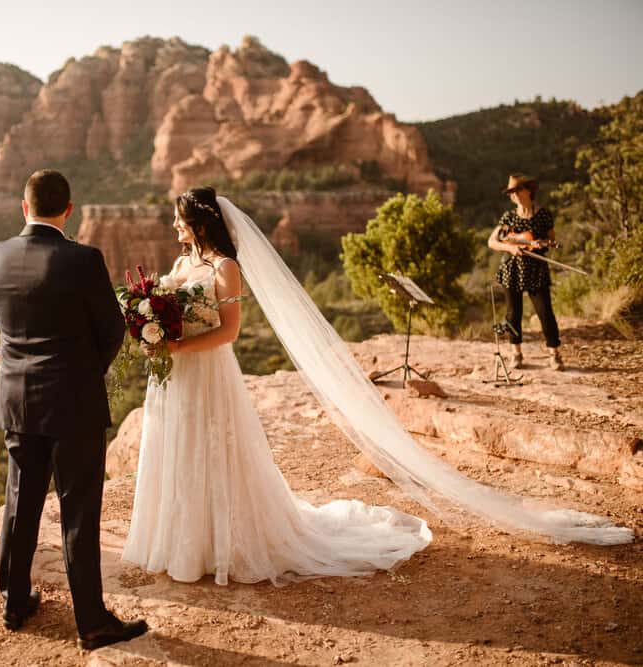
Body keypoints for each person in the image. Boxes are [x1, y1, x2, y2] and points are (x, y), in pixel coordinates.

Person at [123, 187, 630, 584]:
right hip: (175, 377)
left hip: (207, 373)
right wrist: (153, 328)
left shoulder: (226, 268)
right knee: (180, 451)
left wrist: (174, 347)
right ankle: (181, 542)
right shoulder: (183, 264)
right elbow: (171, 309)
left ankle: (220, 545)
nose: (174, 226)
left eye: (179, 219)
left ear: (200, 223)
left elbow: (230, 333)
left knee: (214, 451)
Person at [0, 170, 148, 650]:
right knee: (78, 512)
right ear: (69, 210)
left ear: (24, 207)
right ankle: (92, 622)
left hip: (18, 400)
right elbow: (111, 328)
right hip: (74, 403)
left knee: (20, 502)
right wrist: (83, 372)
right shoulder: (83, 259)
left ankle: (14, 601)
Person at [487, 174, 564, 371]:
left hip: (536, 270)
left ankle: (555, 354)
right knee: (513, 314)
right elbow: (492, 241)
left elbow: (551, 240)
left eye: (517, 190)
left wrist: (541, 244)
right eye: (511, 192)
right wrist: (510, 248)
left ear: (528, 190)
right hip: (512, 270)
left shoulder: (543, 215)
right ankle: (516, 353)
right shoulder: (509, 217)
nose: (514, 195)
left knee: (545, 313)